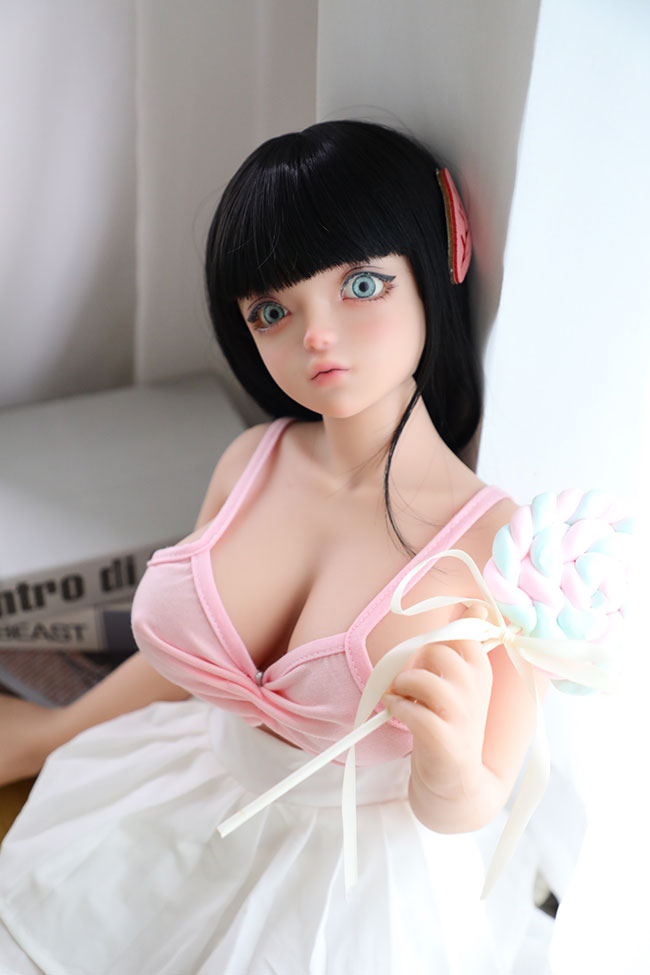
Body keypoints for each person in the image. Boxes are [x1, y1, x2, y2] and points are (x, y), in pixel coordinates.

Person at [0, 120, 547, 974]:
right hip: (182, 802)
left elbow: (478, 802)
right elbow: (190, 668)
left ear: (435, 265)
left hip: (346, 896)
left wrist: (449, 771)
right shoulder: (253, 459)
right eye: (272, 310)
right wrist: (49, 734)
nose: (315, 335)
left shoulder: (498, 545)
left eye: (360, 285)